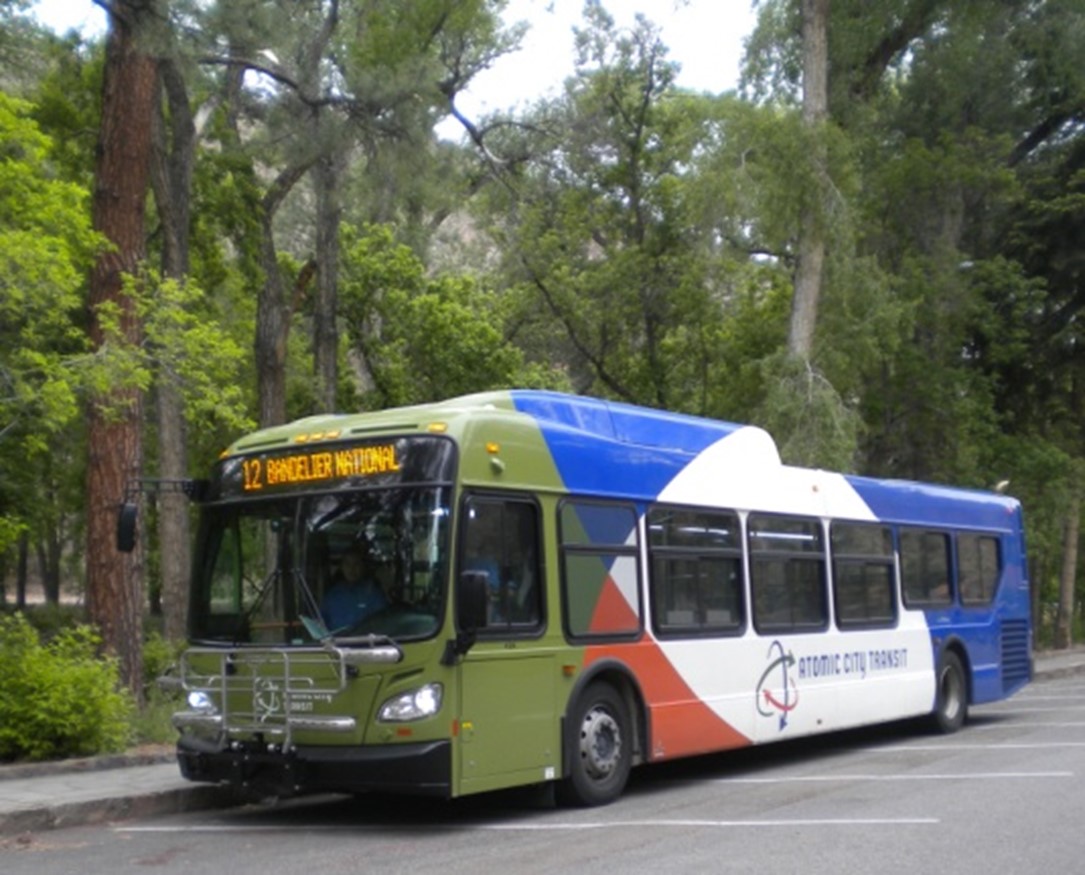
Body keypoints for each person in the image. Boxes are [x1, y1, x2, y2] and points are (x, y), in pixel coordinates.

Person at [321, 545, 387, 631]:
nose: (351, 569)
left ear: (363, 566)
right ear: (341, 567)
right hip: (335, 643)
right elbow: (320, 625)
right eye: (347, 564)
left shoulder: (373, 595)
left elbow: (383, 624)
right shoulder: (332, 596)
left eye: (356, 564)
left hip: (366, 643)